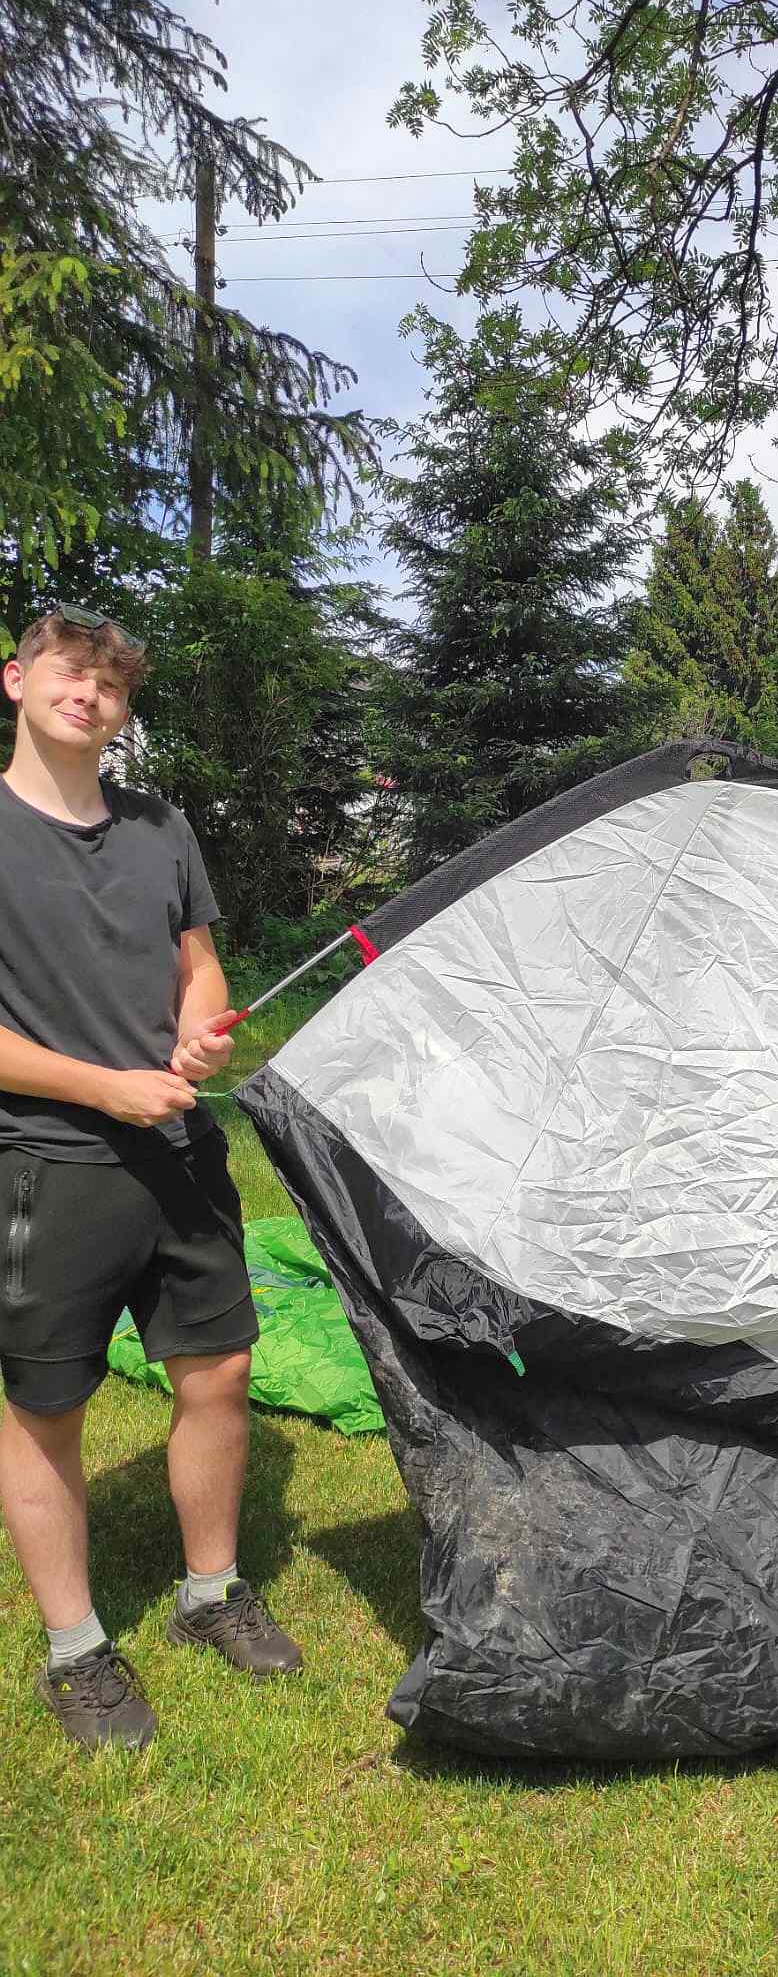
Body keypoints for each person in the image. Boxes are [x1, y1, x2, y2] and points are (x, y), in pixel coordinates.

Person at [0, 605, 301, 1753]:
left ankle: (210, 1591)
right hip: (46, 1164)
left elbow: (199, 961)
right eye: (69, 673)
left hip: (178, 1154)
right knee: (47, 1409)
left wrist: (197, 1031)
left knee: (218, 1369)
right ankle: (77, 1651)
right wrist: (103, 1086)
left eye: (111, 685)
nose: (89, 695)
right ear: (16, 679)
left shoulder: (161, 826)